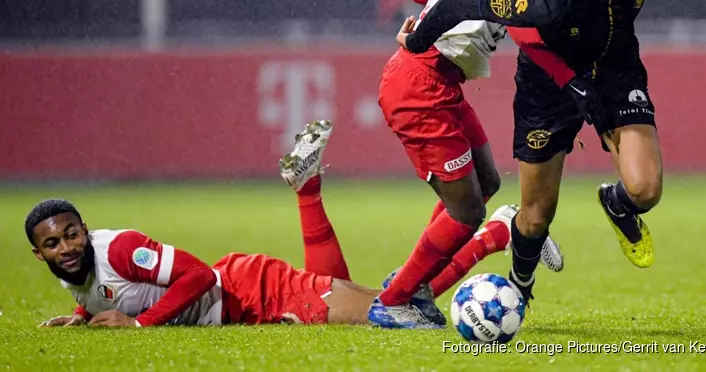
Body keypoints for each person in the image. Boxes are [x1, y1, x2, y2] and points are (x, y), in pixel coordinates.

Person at [398, 0, 702, 304]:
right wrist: (418, 41)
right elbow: (456, 2)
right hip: (546, 90)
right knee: (537, 214)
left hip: (616, 74)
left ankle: (616, 203)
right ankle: (521, 279)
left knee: (646, 190)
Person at [31, 121, 519, 329]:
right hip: (251, 291)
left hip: (254, 293)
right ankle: (492, 231)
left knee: (399, 311)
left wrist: (138, 327)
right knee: (391, 300)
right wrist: (83, 316)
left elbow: (198, 277)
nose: (66, 247)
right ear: (40, 254)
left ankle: (492, 232)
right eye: (53, 244)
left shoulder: (116, 249)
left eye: (71, 234)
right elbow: (114, 292)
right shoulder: (74, 270)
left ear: (85, 227)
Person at [371, 0, 576, 328]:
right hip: (419, 86)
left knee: (485, 182)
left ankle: (416, 283)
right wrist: (573, 82)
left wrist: (428, 5)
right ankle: (394, 299)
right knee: (467, 212)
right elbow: (526, 36)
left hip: (438, 83)